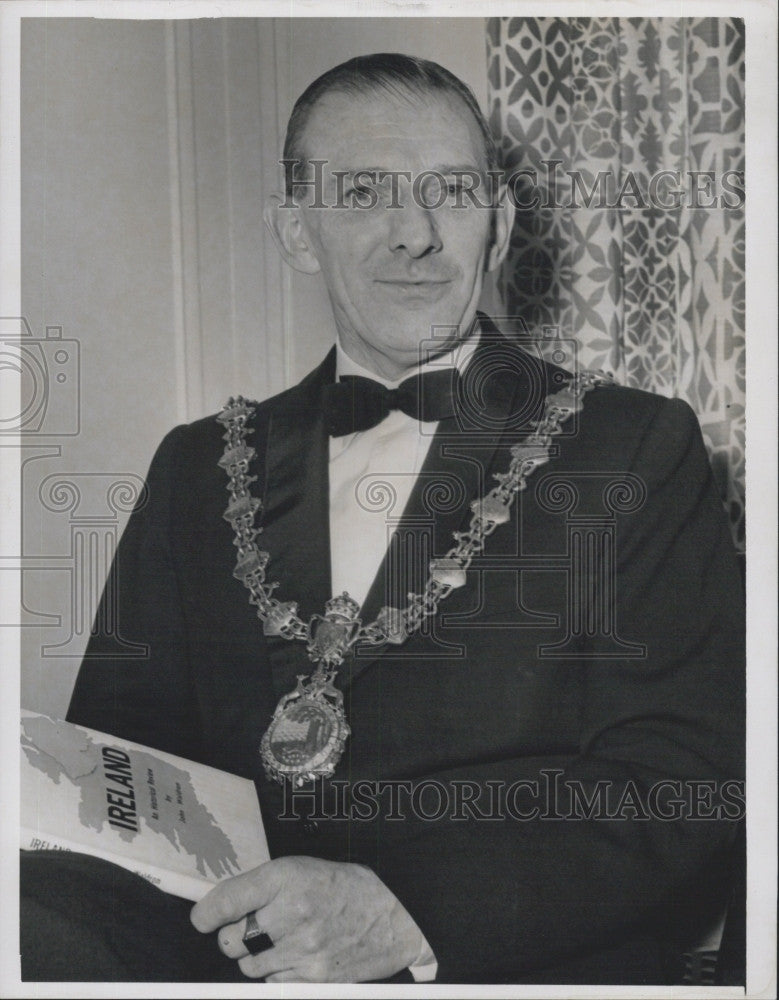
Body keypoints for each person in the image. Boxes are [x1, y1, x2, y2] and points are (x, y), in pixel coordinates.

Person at [21, 53, 744, 985]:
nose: (414, 234)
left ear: (501, 222)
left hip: (507, 962)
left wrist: (409, 914)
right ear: (295, 230)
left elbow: (683, 779)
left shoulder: (634, 443)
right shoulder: (197, 464)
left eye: (450, 190)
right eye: (361, 193)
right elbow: (119, 779)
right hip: (222, 957)